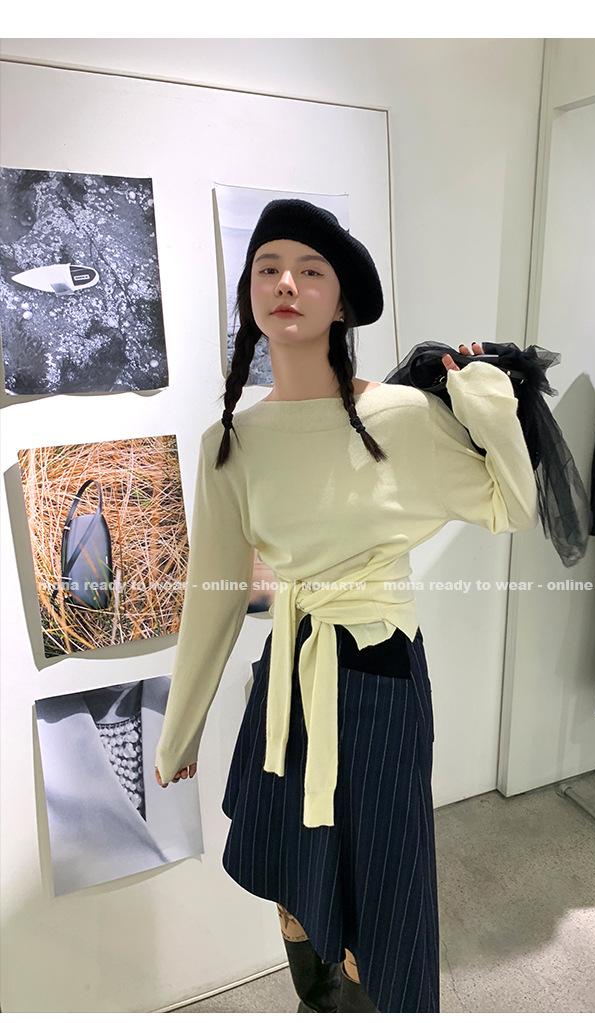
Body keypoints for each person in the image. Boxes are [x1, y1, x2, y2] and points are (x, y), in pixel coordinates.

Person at [154, 199, 539, 1012]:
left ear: (340, 301)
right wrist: (180, 727)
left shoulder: (400, 417)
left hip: (380, 678)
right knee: (296, 886)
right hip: (288, 680)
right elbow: (213, 595)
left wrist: (491, 410)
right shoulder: (230, 443)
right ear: (249, 294)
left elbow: (511, 505)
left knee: (380, 904)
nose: (286, 283)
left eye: (309, 270)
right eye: (268, 268)